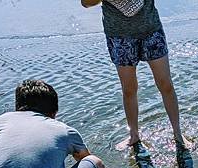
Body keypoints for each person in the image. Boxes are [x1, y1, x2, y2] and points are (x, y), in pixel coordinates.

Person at [81, 0, 190, 150]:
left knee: (166, 84)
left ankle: (178, 134)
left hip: (151, 30)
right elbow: (85, 3)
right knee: (129, 89)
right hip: (119, 36)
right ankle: (133, 135)